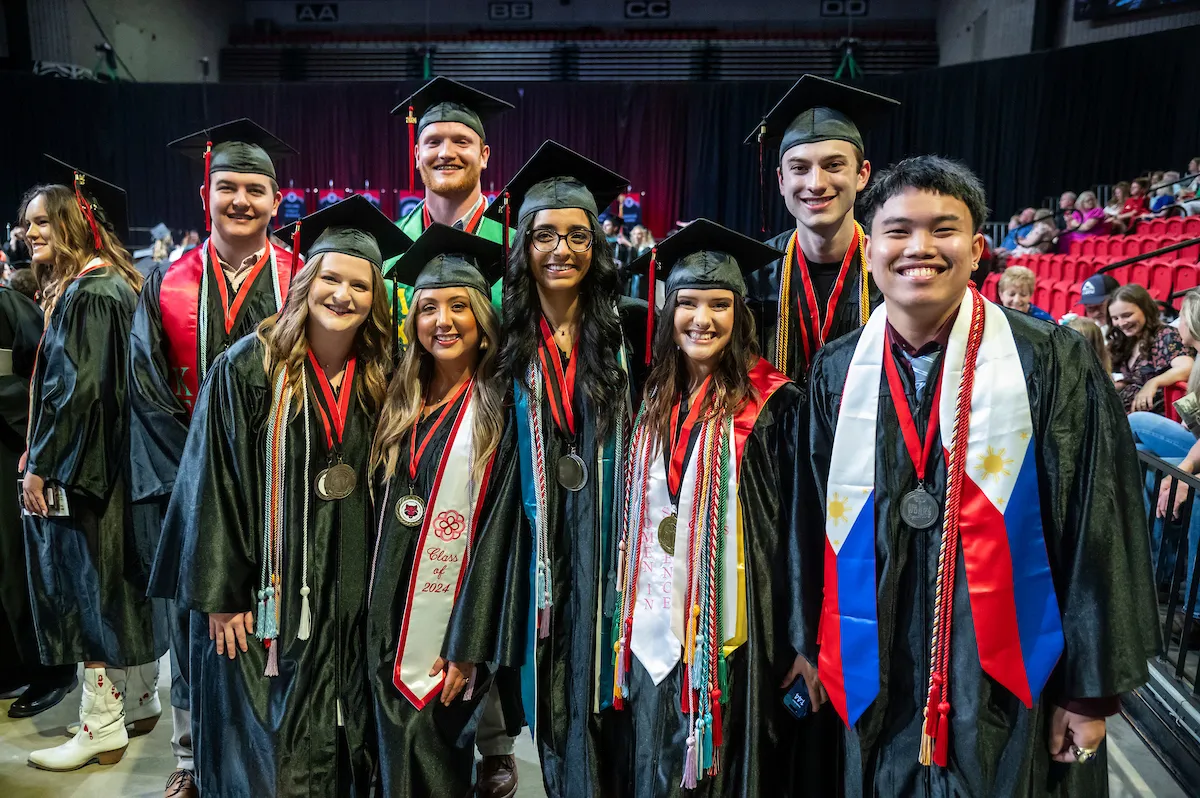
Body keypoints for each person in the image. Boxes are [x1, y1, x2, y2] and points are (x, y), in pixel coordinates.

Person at [808, 155, 1157, 796]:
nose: (920, 248)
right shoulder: (836, 373)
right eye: (898, 230)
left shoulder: (1052, 361)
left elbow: (1097, 526)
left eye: (943, 229)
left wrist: (1088, 692)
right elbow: (812, 531)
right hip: (879, 668)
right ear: (869, 247)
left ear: (976, 249)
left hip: (1013, 683)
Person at [155, 195, 410, 796]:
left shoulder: (381, 376)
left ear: (376, 299)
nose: (342, 295)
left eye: (360, 285)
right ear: (305, 281)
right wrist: (221, 594)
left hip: (344, 595)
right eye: (330, 278)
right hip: (263, 601)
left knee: (342, 734)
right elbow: (209, 482)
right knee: (266, 748)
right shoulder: (248, 369)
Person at [611, 219, 819, 795]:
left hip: (736, 627)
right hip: (656, 619)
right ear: (667, 311)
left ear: (740, 314)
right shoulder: (651, 396)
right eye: (687, 303)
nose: (701, 319)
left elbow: (798, 529)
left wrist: (802, 636)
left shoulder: (776, 404)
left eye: (719, 304)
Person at [133, 118, 298, 798]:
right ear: (206, 195)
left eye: (254, 190)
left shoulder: (303, 278)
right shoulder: (165, 282)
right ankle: (192, 756)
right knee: (194, 623)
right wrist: (201, 491)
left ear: (276, 200)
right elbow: (146, 393)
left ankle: (282, 747)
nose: (240, 201)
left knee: (283, 623)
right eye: (226, 187)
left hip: (284, 486)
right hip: (190, 490)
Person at [487, 140, 648, 798]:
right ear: (522, 245)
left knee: (606, 691)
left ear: (597, 245)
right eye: (544, 234)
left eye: (578, 235)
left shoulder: (631, 328)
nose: (561, 249)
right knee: (550, 688)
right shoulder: (499, 334)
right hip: (534, 544)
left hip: (611, 541)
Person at [21, 159, 169, 771]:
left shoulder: (92, 291)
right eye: (26, 224)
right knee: (117, 586)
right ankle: (137, 700)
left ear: (76, 223)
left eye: (43, 222)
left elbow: (78, 393)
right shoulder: (112, 284)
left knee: (88, 590)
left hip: (85, 470)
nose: (30, 233)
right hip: (109, 466)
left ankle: (100, 722)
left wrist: (43, 464)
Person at [366, 223, 524, 796]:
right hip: (379, 622)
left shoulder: (501, 412)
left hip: (448, 629)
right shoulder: (394, 396)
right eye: (429, 307)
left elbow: (497, 543)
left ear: (484, 322)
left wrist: (470, 643)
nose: (443, 321)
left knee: (430, 752)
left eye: (460, 306)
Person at [744, 75, 896, 384]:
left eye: (834, 165)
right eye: (800, 168)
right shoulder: (754, 276)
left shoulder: (892, 268)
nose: (816, 183)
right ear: (782, 181)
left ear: (862, 174)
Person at [389, 77, 514, 347]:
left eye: (461, 141)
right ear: (416, 155)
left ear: (484, 156)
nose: (446, 153)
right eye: (433, 142)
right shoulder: (389, 247)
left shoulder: (516, 244)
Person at [0, 276, 75, 718]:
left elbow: (42, 379)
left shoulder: (10, 306)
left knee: (23, 564)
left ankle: (52, 669)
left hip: (12, 448)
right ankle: (11, 665)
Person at [1109, 283, 1193, 414]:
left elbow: (1187, 367)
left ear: (1145, 309)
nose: (1121, 323)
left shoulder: (1166, 335)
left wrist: (1154, 382)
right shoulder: (1126, 340)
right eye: (1115, 318)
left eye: (1127, 315)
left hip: (1156, 417)